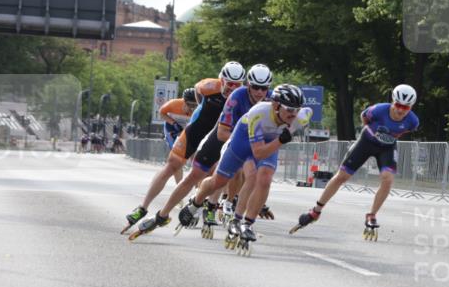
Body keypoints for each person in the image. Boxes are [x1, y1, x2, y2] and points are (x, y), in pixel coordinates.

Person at [161, 84, 309, 252]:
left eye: (297, 109)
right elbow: (258, 153)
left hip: (271, 141)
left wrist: (280, 139)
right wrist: (282, 140)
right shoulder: (258, 114)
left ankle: (245, 223)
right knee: (219, 181)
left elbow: (272, 145)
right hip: (243, 138)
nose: (293, 114)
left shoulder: (303, 116)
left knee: (263, 178)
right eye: (289, 108)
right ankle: (196, 201)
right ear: (275, 105)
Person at [120, 62, 245, 234]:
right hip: (196, 131)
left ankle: (209, 205)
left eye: (236, 85)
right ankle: (142, 207)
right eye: (228, 83)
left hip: (217, 137)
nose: (231, 88)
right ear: (221, 79)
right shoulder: (209, 86)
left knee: (216, 173)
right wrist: (202, 107)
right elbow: (197, 89)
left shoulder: (242, 97)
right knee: (171, 166)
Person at [147, 64, 273, 233]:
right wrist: (203, 106)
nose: (259, 92)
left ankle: (237, 218)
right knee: (202, 176)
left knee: (250, 175)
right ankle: (173, 210)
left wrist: (260, 202)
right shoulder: (236, 97)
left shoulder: (272, 101)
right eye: (255, 87)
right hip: (224, 135)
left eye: (263, 88)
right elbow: (221, 133)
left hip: (247, 139)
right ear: (248, 85)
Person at [290, 84, 419, 241]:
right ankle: (316, 210)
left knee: (388, 179)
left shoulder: (413, 121)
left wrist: (389, 137)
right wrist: (374, 131)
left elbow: (404, 130)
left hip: (387, 147)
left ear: (411, 107)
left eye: (405, 107)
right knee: (342, 176)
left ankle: (371, 215)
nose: (400, 110)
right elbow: (364, 118)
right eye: (398, 105)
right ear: (392, 101)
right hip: (366, 142)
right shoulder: (378, 110)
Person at [159, 88, 198, 183]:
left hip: (188, 129)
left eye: (195, 105)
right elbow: (161, 113)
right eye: (189, 105)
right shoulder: (174, 104)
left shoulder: (200, 108)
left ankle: (197, 187)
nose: (192, 108)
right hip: (173, 129)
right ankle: (179, 184)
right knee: (177, 158)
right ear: (183, 101)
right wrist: (173, 123)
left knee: (196, 157)